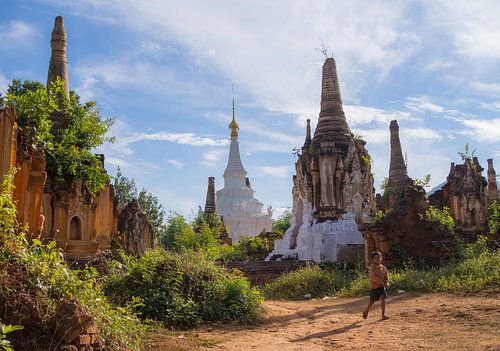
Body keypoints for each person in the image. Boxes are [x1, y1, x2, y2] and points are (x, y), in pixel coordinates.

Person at [362, 251, 389, 320]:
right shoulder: (371, 268)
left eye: (379, 257)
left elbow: (386, 276)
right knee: (372, 301)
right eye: (376, 258)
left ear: (381, 258)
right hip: (374, 287)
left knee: (383, 299)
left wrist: (387, 283)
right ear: (372, 259)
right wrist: (381, 282)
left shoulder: (383, 268)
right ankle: (366, 311)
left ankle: (383, 315)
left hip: (381, 287)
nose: (378, 259)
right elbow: (373, 277)